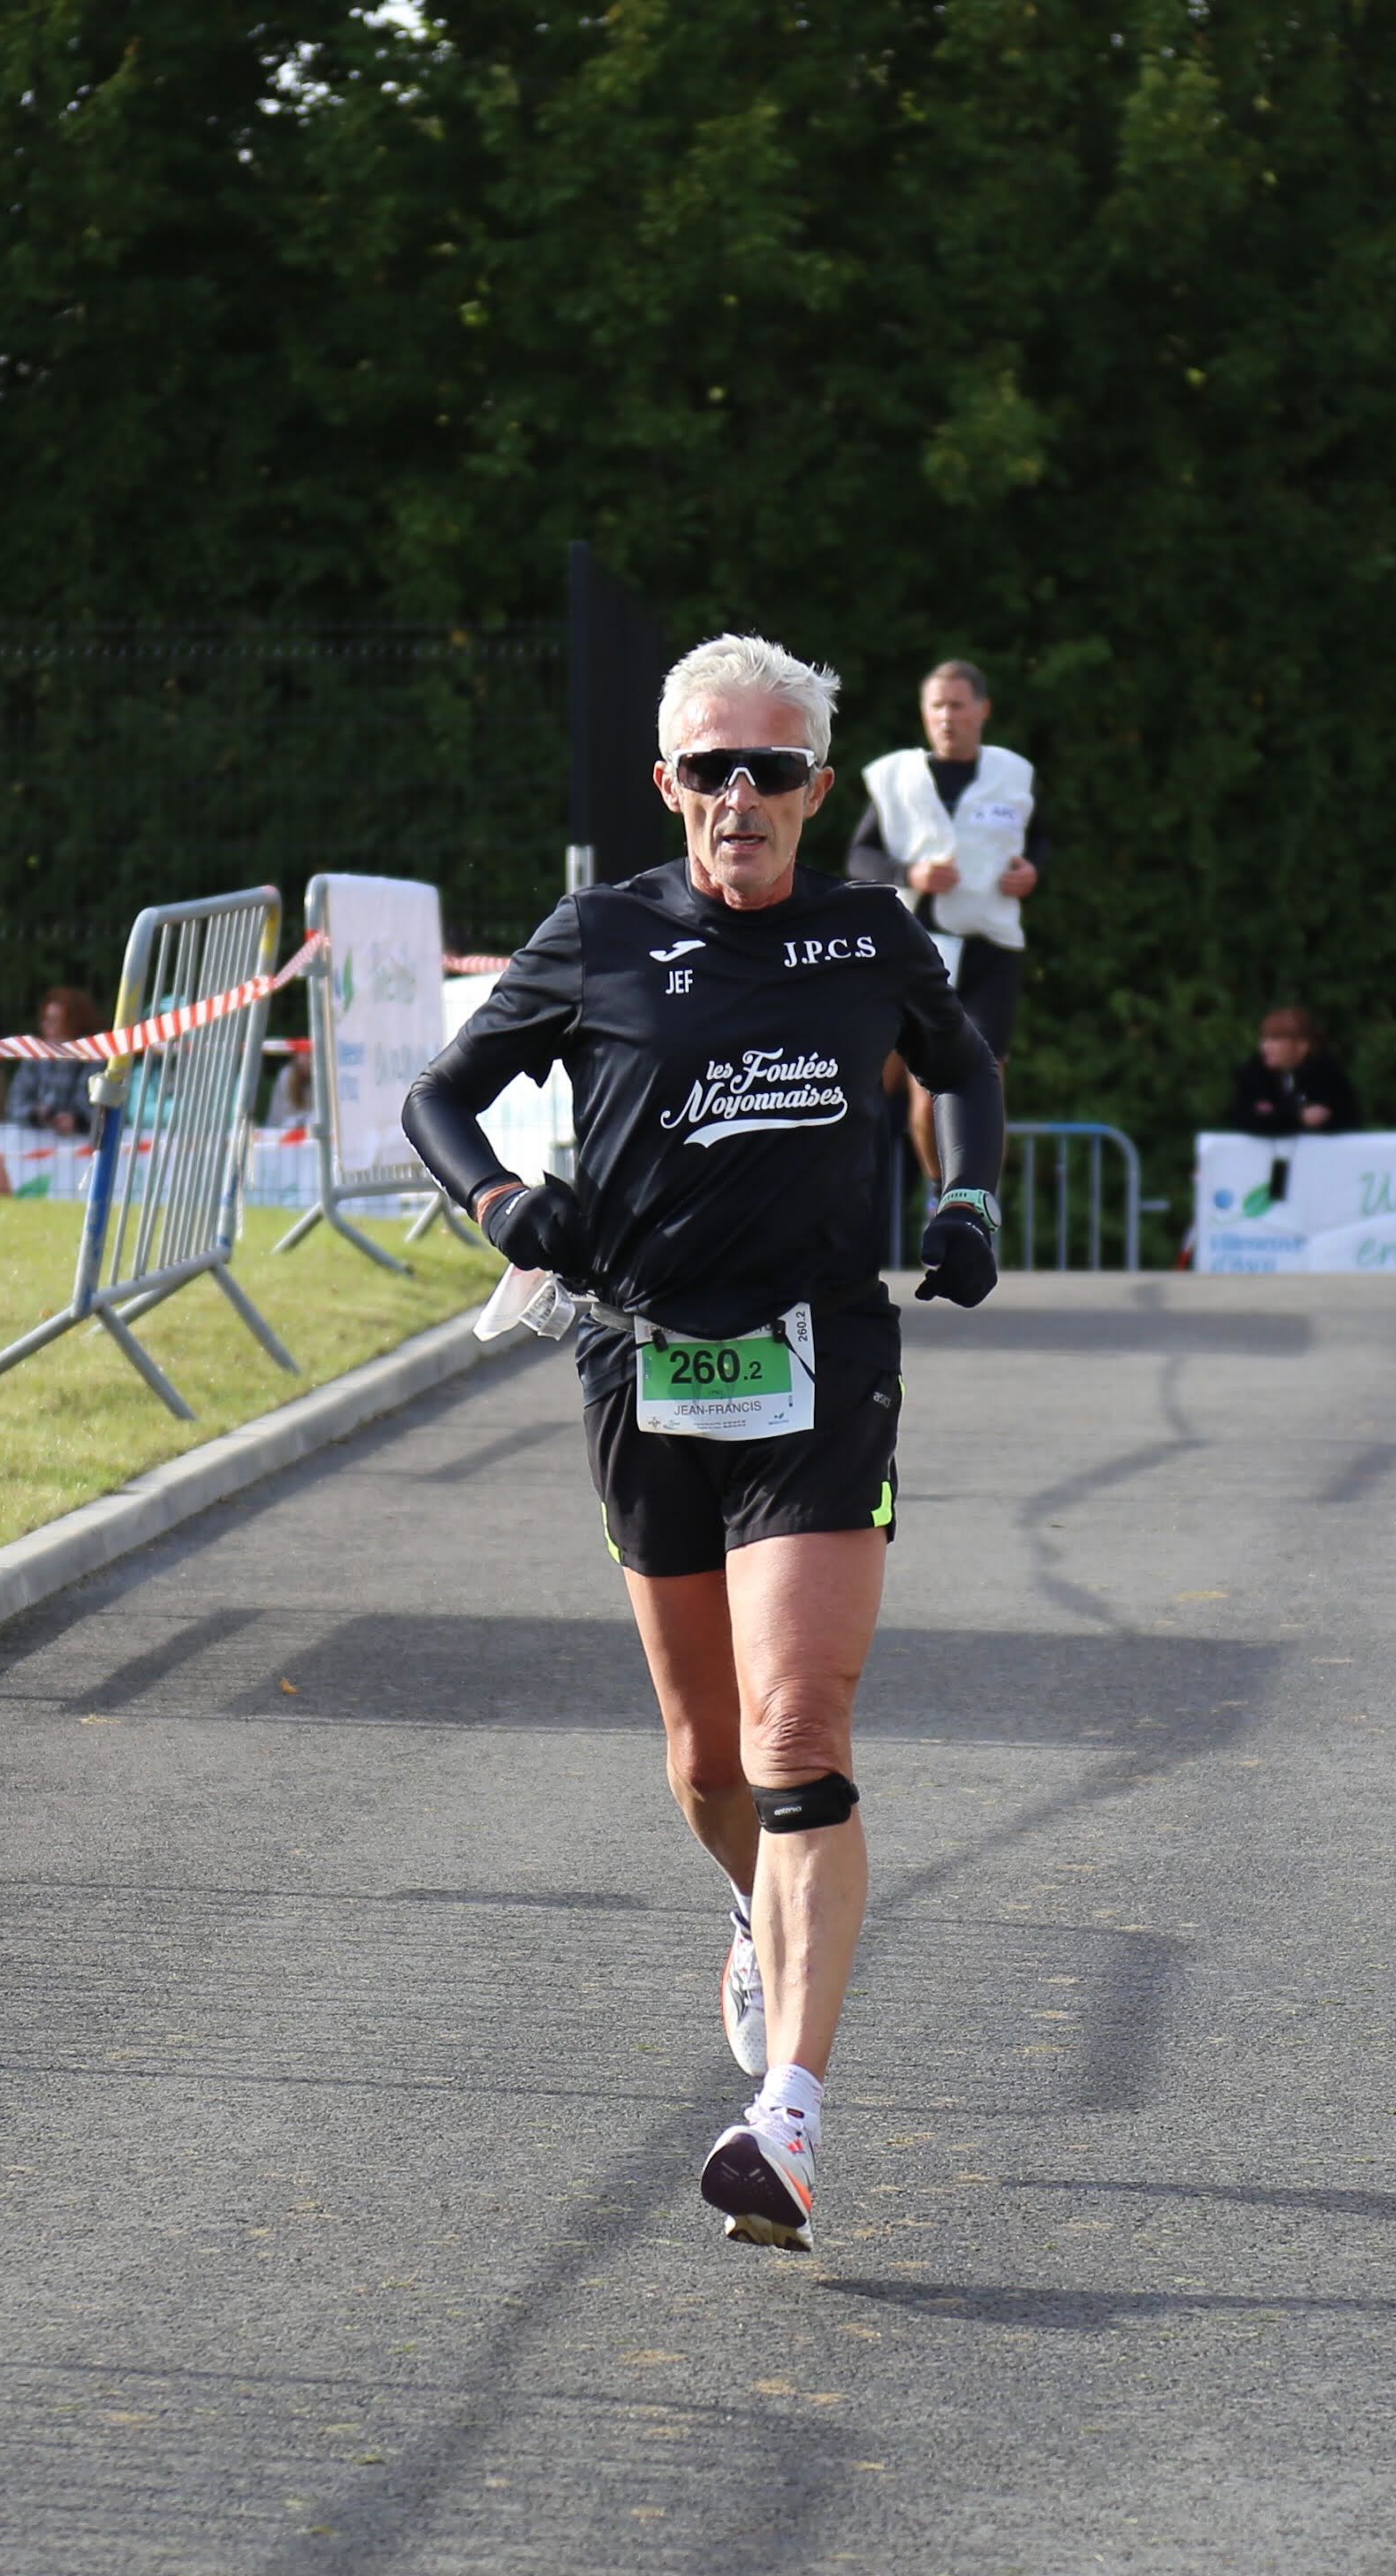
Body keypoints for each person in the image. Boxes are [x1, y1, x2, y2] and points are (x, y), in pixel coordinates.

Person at [405, 631, 1001, 2254]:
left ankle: (787, 2121)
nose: (742, 795)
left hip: (821, 1361)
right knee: (706, 1759)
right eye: (712, 768)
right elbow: (439, 1099)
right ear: (666, 782)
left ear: (816, 787)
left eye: (773, 768)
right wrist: (500, 1203)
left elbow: (960, 1065)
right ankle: (753, 1903)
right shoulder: (597, 936)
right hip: (642, 1360)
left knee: (797, 1728)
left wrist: (963, 1196)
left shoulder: (869, 933)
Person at [847, 660, 1039, 1177]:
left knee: (982, 1086)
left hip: (988, 951)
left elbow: (1038, 842)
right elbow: (859, 857)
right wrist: (911, 873)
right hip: (918, 949)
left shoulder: (1013, 775)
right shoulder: (899, 777)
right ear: (924, 712)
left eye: (957, 705)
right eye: (937, 706)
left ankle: (973, 1201)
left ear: (982, 710)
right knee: (917, 1096)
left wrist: (1032, 871)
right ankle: (934, 1192)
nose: (947, 717)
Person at [1227, 1005, 1358, 1134]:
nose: (1264, 1047)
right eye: (1265, 1039)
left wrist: (1276, 1115)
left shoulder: (1327, 1076)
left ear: (1302, 1046)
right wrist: (1298, 1117)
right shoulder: (1253, 1074)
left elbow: (1344, 1118)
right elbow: (1241, 1117)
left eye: (1275, 1039)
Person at [4, 989, 103, 1135]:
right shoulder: (34, 1058)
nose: (46, 1026)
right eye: (46, 1019)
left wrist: (77, 1121)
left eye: (54, 1021)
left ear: (74, 1024)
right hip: (35, 1138)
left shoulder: (93, 1060)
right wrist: (35, 1113)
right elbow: (14, 1103)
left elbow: (101, 1109)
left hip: (80, 1141)